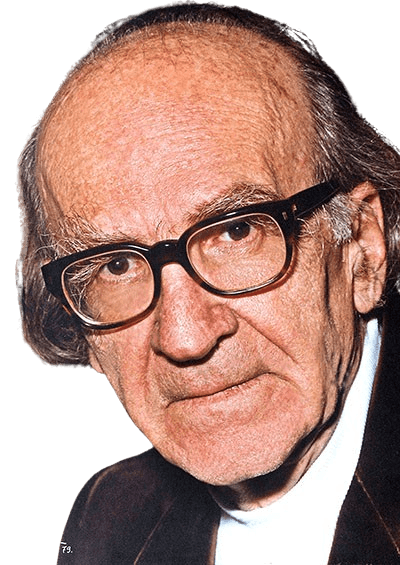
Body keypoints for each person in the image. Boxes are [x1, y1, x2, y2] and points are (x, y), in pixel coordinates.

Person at [16, 2, 400, 563]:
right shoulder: (109, 515)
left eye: (238, 231)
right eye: (115, 265)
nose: (187, 337)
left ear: (362, 249)